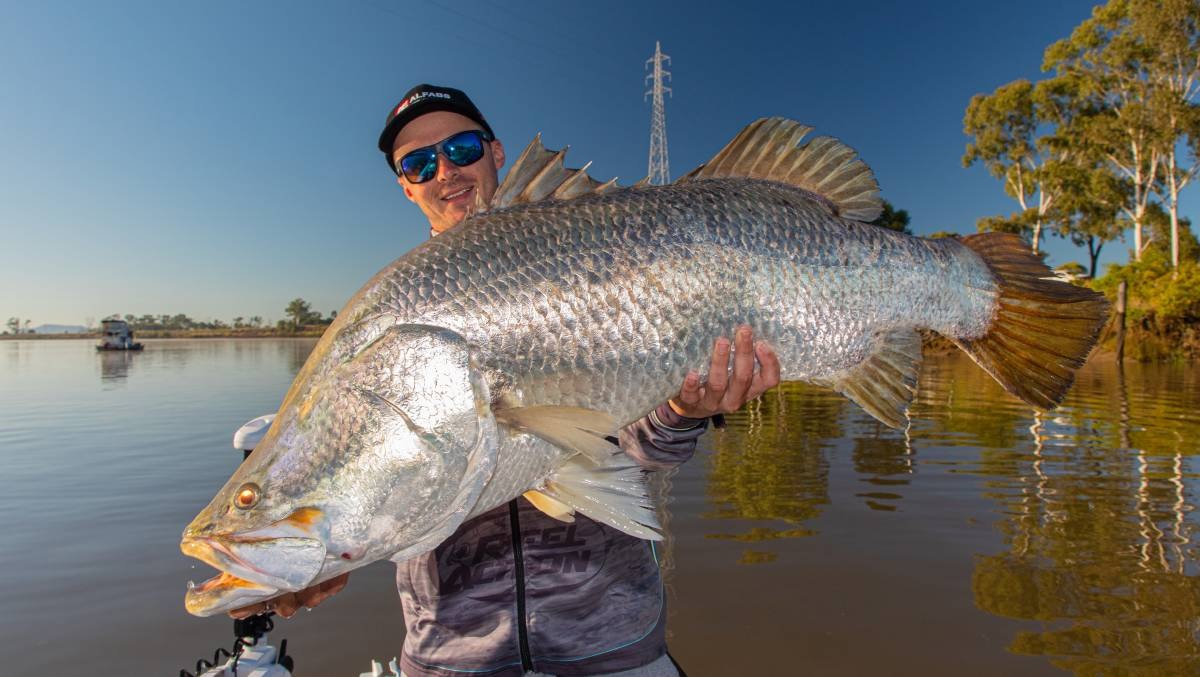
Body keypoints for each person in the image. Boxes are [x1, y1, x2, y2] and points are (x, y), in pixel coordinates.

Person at [233, 84, 780, 676]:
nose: (444, 171)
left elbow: (634, 454)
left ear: (496, 153)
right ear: (405, 185)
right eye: (417, 163)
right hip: (451, 655)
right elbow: (367, 477)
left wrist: (685, 413)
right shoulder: (389, 318)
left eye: (461, 148)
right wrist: (320, 553)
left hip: (610, 641)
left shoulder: (606, 262)